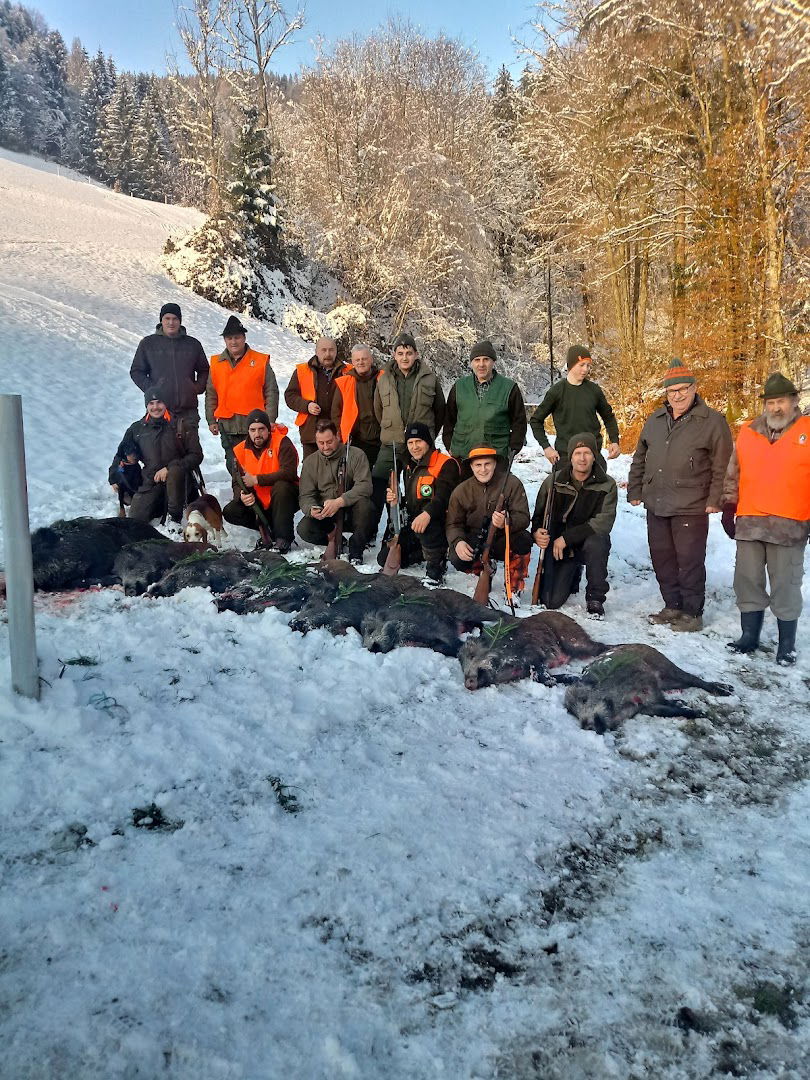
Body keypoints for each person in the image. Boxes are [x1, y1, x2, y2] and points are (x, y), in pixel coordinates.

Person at [627, 359, 732, 632]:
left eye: (684, 389)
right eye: (673, 391)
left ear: (695, 388)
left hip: (692, 504)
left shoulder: (712, 422)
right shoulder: (655, 420)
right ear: (666, 394)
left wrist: (714, 499)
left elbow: (723, 465)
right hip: (657, 501)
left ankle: (692, 613)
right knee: (662, 556)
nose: (679, 395)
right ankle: (672, 605)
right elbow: (640, 457)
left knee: (689, 560)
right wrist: (636, 488)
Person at [722, 372, 810, 665]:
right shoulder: (748, 431)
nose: (776, 408)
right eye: (771, 402)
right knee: (747, 580)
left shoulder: (807, 431)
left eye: (781, 401)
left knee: (786, 584)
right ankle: (749, 637)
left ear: (793, 402)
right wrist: (729, 506)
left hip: (789, 524)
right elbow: (733, 473)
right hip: (750, 521)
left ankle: (786, 645)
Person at [532, 432, 618, 618]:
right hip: (559, 548)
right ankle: (572, 571)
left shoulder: (607, 485)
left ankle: (595, 597)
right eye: (577, 453)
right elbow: (539, 515)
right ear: (570, 457)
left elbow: (604, 522)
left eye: (587, 452)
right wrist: (537, 532)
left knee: (598, 542)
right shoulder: (553, 482)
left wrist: (567, 538)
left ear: (594, 456)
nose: (582, 458)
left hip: (585, 541)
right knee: (550, 601)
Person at [377, 422, 461, 585]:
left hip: (439, 523)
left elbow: (443, 498)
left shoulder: (446, 464)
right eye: (410, 442)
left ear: (428, 442)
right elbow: (410, 500)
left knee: (427, 524)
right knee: (383, 558)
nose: (414, 447)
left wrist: (427, 514)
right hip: (414, 523)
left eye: (418, 442)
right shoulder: (409, 465)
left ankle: (436, 566)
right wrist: (394, 500)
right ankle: (423, 553)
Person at [446, 446, 533, 600]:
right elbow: (453, 524)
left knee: (524, 539)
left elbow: (524, 517)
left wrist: (507, 521)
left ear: (495, 464)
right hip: (475, 539)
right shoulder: (461, 490)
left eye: (487, 464)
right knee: (456, 557)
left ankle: (514, 586)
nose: (483, 469)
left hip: (502, 537)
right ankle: (483, 569)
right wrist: (458, 542)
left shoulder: (512, 483)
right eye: (478, 465)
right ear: (471, 467)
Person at [109, 385, 203, 526]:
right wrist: (114, 476)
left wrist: (169, 468)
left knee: (174, 472)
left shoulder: (181, 425)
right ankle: (159, 504)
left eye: (159, 402)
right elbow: (120, 454)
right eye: (151, 403)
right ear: (146, 406)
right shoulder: (137, 429)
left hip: (180, 479)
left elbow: (196, 455)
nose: (155, 407)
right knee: (135, 520)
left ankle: (175, 518)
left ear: (165, 403)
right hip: (150, 479)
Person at [206, 316, 279, 491]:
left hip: (254, 425)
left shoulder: (260, 361)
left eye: (237, 337)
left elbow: (271, 391)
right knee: (233, 463)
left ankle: (260, 497)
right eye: (229, 338)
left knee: (256, 461)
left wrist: (269, 420)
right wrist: (211, 419)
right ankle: (240, 496)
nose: (233, 341)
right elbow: (211, 393)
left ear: (244, 338)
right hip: (227, 425)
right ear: (224, 340)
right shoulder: (216, 363)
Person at [373, 332, 446, 501]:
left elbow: (440, 410)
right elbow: (378, 409)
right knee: (380, 483)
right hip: (391, 444)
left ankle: (418, 521)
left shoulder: (430, 378)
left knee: (421, 487)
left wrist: (428, 433)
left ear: (416, 354)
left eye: (409, 353)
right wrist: (391, 428)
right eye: (400, 354)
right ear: (394, 355)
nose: (404, 358)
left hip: (421, 446)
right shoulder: (384, 379)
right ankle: (390, 522)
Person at [529, 344, 620, 469]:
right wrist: (546, 447)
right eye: (581, 365)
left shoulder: (594, 390)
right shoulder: (557, 391)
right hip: (566, 457)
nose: (585, 369)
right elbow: (536, 420)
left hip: (593, 456)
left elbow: (608, 417)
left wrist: (614, 441)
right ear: (571, 365)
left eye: (588, 365)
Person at [297, 420, 376, 563]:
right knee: (304, 529)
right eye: (321, 443)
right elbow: (305, 495)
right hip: (326, 513)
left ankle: (356, 548)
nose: (325, 447)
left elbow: (365, 486)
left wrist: (340, 501)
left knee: (366, 507)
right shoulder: (310, 462)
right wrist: (312, 509)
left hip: (352, 510)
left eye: (329, 441)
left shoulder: (356, 455)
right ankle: (333, 539)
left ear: (338, 436)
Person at [223, 409, 298, 552]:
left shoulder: (282, 442)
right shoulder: (239, 450)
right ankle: (266, 527)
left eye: (261, 429)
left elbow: (289, 473)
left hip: (284, 499)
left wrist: (258, 480)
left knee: (282, 487)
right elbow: (236, 481)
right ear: (248, 431)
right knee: (230, 511)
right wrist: (242, 496)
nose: (257, 434)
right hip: (258, 501)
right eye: (252, 430)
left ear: (268, 429)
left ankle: (284, 538)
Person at [443, 340, 527, 463]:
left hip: (496, 456)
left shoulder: (509, 388)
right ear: (472, 363)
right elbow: (449, 419)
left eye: (486, 359)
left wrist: (512, 449)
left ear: (493, 362)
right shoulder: (459, 387)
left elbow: (519, 422)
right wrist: (450, 445)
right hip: (463, 455)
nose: (481, 364)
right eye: (477, 360)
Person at [130, 303, 209, 428]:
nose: (171, 323)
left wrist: (196, 387)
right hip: (159, 411)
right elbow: (136, 371)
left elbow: (204, 370)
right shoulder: (148, 344)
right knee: (162, 447)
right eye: (167, 319)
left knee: (190, 448)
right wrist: (152, 389)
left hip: (188, 412)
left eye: (175, 319)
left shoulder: (193, 344)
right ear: (161, 320)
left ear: (180, 321)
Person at [284, 337, 346, 459]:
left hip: (339, 432)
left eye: (331, 350)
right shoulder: (302, 371)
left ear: (336, 351)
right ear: (316, 351)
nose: (328, 354)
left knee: (338, 472)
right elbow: (290, 396)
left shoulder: (347, 371)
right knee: (311, 471)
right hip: (311, 433)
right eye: (323, 350)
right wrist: (306, 405)